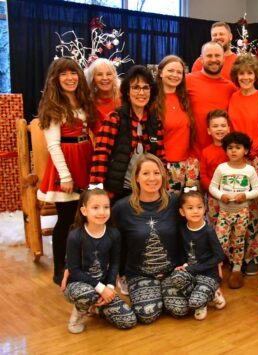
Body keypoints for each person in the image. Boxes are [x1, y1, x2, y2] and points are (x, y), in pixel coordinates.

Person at [111, 153, 190, 323]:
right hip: (139, 274)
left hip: (172, 272)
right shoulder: (122, 208)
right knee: (148, 315)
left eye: (156, 172)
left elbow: (189, 233)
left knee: (181, 310)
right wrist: (117, 275)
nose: (152, 178)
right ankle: (151, 292)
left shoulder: (175, 203)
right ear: (136, 177)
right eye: (146, 173)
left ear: (162, 175)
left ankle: (162, 290)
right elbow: (114, 244)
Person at [37, 57, 95, 285]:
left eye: (74, 73)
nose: (70, 78)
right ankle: (60, 267)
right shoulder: (53, 106)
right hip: (67, 163)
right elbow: (53, 144)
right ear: (56, 78)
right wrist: (65, 176)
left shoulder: (83, 101)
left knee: (84, 217)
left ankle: (82, 263)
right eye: (64, 74)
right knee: (66, 218)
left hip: (85, 158)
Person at [63, 187, 137, 333]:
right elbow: (74, 270)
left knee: (129, 320)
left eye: (106, 207)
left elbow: (115, 262)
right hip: (78, 285)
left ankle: (96, 308)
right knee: (86, 293)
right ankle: (78, 314)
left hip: (102, 287)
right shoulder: (75, 236)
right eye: (95, 208)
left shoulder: (114, 234)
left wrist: (109, 286)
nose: (102, 212)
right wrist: (100, 288)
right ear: (84, 211)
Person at [228, 54, 258, 275]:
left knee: (254, 211)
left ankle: (254, 255)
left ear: (255, 75)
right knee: (235, 208)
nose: (246, 77)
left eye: (249, 73)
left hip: (255, 160)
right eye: (242, 73)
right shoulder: (232, 98)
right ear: (236, 76)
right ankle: (235, 254)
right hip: (235, 159)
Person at [90, 65, 165, 202]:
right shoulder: (115, 118)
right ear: (127, 92)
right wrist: (97, 189)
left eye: (145, 87)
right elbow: (101, 155)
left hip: (147, 190)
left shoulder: (155, 122)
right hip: (119, 190)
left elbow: (160, 159)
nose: (141, 93)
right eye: (136, 87)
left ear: (151, 91)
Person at [209, 132, 258, 289]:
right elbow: (212, 186)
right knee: (220, 241)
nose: (233, 151)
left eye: (238, 148)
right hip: (224, 212)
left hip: (242, 213)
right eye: (230, 148)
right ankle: (215, 269)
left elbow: (257, 190)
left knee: (238, 241)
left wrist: (245, 195)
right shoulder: (221, 168)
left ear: (245, 151)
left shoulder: (250, 170)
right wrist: (220, 195)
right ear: (225, 151)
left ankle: (237, 270)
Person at [173, 187, 226, 320]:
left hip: (209, 274)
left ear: (205, 208)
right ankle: (208, 294)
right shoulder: (182, 230)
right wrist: (182, 266)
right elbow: (180, 251)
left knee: (194, 303)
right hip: (191, 272)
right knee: (176, 277)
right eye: (190, 208)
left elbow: (219, 256)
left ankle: (210, 296)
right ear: (182, 212)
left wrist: (194, 268)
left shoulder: (208, 231)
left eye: (199, 207)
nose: (195, 211)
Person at [154, 55, 199, 191]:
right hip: (164, 166)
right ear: (161, 73)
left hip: (188, 165)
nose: (175, 75)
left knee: (188, 209)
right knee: (167, 208)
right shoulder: (152, 101)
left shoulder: (185, 99)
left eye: (179, 72)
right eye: (170, 71)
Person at [186, 41, 237, 159]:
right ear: (201, 59)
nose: (214, 59)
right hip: (193, 157)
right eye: (209, 56)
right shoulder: (188, 81)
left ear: (223, 58)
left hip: (223, 157)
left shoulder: (231, 88)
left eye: (217, 55)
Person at [200, 109, 230, 226]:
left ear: (228, 128)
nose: (219, 129)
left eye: (223, 125)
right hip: (214, 198)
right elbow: (203, 176)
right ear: (209, 130)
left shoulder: (234, 149)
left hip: (233, 197)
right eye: (215, 126)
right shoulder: (206, 152)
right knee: (215, 227)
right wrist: (215, 191)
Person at [84, 58, 122, 134]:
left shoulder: (124, 96)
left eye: (109, 74)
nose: (105, 78)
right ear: (93, 79)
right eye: (99, 74)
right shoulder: (89, 101)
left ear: (114, 76)